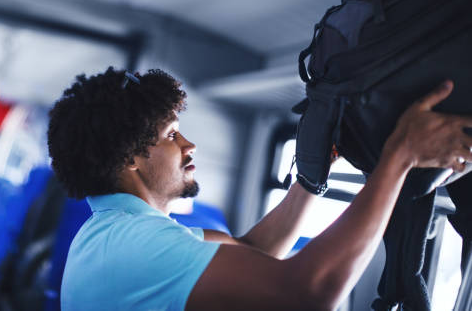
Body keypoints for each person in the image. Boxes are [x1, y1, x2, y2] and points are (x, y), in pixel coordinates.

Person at [46, 67, 472, 310]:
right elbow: (308, 292)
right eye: (171, 134)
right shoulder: (132, 244)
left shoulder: (114, 233)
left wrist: (310, 177)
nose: (188, 144)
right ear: (130, 157)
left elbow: (251, 250)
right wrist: (400, 156)